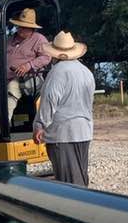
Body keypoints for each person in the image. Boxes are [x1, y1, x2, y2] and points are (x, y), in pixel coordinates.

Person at [33, 31, 95, 186]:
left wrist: (40, 125)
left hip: (63, 133)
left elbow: (49, 101)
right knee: (81, 175)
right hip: (84, 131)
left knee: (68, 182)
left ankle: (75, 209)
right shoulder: (86, 72)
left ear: (55, 53)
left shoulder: (57, 73)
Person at [0, 7, 51, 130]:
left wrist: (28, 66)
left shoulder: (39, 40)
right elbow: (0, 60)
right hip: (4, 78)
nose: (20, 29)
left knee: (13, 86)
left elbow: (46, 57)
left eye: (23, 26)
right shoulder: (9, 40)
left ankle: (1, 124)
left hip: (30, 79)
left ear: (31, 28)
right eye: (19, 26)